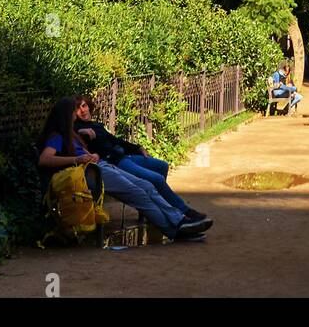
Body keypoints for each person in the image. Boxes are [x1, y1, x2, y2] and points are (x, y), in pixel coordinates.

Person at [37, 96, 211, 241]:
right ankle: (175, 231)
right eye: (73, 111)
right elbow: (44, 160)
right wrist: (79, 158)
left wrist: (93, 156)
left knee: (147, 186)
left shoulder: (70, 134)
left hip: (100, 167)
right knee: (139, 194)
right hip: (92, 174)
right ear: (66, 115)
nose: (77, 114)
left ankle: (179, 220)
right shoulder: (57, 136)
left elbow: (94, 149)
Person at [74, 97, 209, 226]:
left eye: (84, 106)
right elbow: (70, 132)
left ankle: (155, 209)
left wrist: (138, 148)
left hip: (124, 157)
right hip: (115, 163)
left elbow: (115, 140)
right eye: (78, 108)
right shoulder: (77, 128)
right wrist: (80, 130)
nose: (83, 110)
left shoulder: (96, 125)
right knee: (156, 179)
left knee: (162, 166)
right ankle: (184, 211)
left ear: (89, 106)